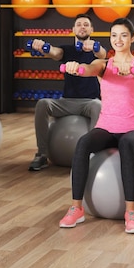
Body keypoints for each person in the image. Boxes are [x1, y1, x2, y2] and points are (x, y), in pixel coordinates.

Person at [58, 17, 134, 234]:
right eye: (114, 35)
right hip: (107, 128)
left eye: (123, 35)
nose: (118, 40)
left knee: (127, 143)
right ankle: (76, 208)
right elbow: (89, 68)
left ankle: (130, 212)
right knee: (83, 143)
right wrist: (76, 68)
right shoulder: (103, 65)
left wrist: (129, 70)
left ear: (132, 38)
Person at [28, 13, 107, 171]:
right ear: (73, 29)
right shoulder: (67, 50)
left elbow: (102, 54)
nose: (82, 27)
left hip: (89, 102)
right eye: (79, 24)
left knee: (98, 105)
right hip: (67, 102)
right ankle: (42, 154)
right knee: (43, 104)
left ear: (91, 29)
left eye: (86, 24)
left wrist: (95, 47)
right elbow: (55, 53)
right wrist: (44, 47)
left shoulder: (96, 51)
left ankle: (92, 156)